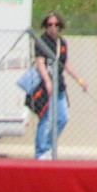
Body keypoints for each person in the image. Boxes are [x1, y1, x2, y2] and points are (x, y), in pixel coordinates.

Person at [34, 11, 88, 160]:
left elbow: (66, 64)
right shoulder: (41, 41)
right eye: (50, 24)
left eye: (56, 24)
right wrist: (47, 81)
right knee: (46, 120)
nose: (53, 27)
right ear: (46, 26)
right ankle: (41, 152)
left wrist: (79, 80)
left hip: (60, 86)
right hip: (46, 87)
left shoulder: (61, 43)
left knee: (63, 118)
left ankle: (48, 146)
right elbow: (40, 63)